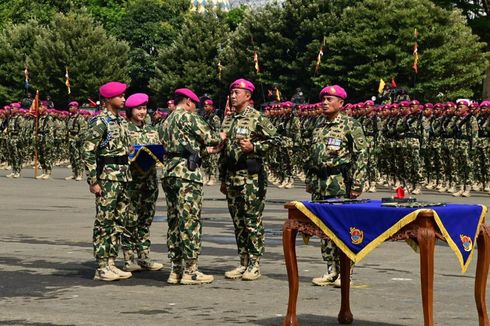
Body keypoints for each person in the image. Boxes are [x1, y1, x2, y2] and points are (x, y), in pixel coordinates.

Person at [304, 85, 367, 287]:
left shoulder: (350, 125)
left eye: (330, 99)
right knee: (323, 227)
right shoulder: (319, 125)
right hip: (320, 184)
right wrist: (309, 179)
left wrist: (357, 183)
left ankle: (345, 271)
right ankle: (330, 269)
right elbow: (311, 155)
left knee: (342, 227)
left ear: (341, 103)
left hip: (340, 183)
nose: (325, 102)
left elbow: (361, 155)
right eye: (323, 99)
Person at [160, 88, 225, 285]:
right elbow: (211, 137)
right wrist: (221, 135)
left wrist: (205, 152)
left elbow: (183, 147)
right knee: (189, 221)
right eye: (195, 105)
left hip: (170, 171)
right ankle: (191, 270)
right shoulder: (188, 118)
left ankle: (175, 269)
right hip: (186, 175)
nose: (195, 109)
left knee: (174, 221)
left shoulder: (166, 121)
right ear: (188, 102)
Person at [219, 78, 278, 281]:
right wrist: (222, 178)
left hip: (251, 177)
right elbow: (224, 151)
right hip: (232, 176)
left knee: (252, 221)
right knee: (238, 222)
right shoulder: (228, 119)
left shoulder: (257, 118)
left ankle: (255, 263)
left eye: (237, 92)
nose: (233, 96)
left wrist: (255, 148)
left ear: (248, 96)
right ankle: (243, 261)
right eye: (232, 92)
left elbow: (277, 140)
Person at [83, 81, 133, 281]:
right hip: (107, 178)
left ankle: (111, 261)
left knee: (118, 221)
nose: (123, 99)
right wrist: (93, 180)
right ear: (108, 99)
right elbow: (88, 151)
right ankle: (102, 266)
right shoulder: (99, 121)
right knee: (104, 222)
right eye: (120, 96)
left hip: (122, 176)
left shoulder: (120, 121)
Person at [120, 93, 164, 272]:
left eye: (144, 108)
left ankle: (144, 256)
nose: (142, 112)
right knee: (130, 220)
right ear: (130, 110)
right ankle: (128, 259)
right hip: (132, 183)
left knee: (146, 220)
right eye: (139, 108)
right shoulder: (124, 129)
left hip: (150, 182)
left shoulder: (151, 130)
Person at [65, 101, 88, 181]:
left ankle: (80, 174)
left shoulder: (80, 117)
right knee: (72, 157)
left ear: (76, 107)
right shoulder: (70, 117)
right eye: (69, 107)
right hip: (71, 139)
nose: (70, 108)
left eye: (72, 107)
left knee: (79, 157)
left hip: (77, 139)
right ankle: (74, 173)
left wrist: (79, 139)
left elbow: (83, 130)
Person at [201, 99, 222, 186]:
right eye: (204, 106)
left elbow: (217, 131)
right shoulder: (204, 117)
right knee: (205, 161)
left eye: (206, 106)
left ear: (211, 106)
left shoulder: (215, 118)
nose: (205, 107)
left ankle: (213, 178)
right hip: (205, 142)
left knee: (213, 161)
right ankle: (206, 176)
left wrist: (216, 141)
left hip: (213, 142)